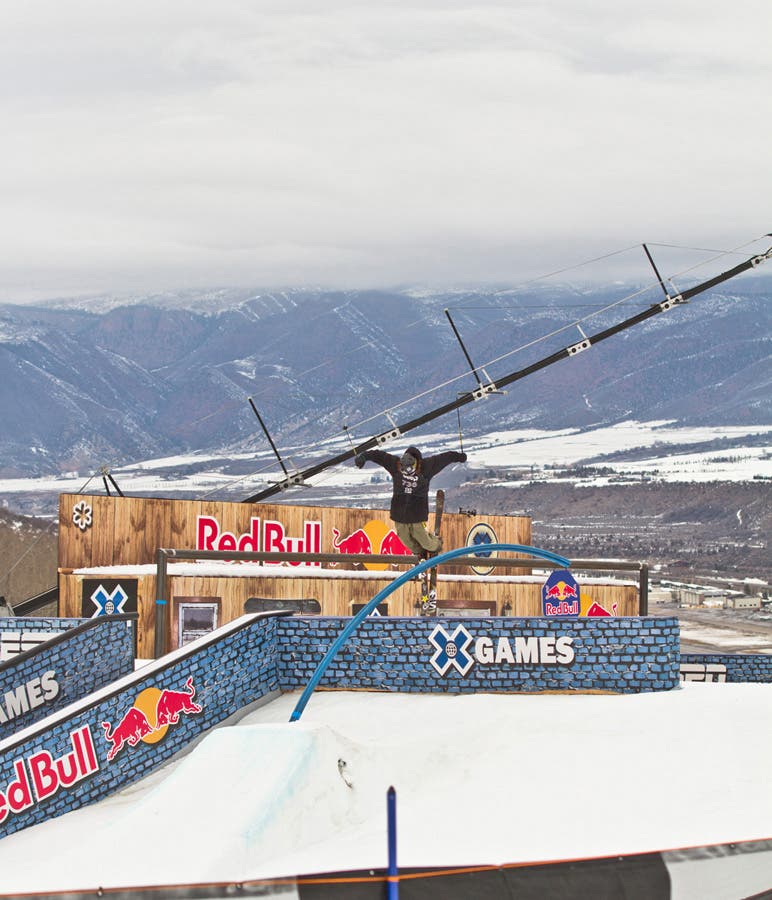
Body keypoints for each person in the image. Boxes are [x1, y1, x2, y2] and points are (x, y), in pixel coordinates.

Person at [355, 445, 466, 557]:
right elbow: (379, 456)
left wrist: (459, 457)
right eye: (404, 470)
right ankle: (420, 553)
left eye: (409, 470)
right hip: (399, 513)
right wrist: (364, 457)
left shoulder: (427, 466)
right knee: (405, 540)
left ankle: (436, 547)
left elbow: (444, 458)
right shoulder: (395, 464)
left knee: (424, 540)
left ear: (415, 464)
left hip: (417, 513)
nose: (407, 473)